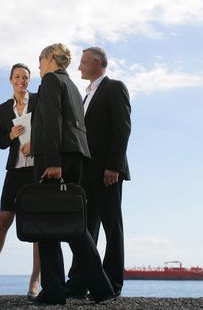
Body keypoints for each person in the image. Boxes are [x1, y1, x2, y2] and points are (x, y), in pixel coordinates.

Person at [28, 43, 116, 305]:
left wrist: (53, 161)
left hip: (56, 160)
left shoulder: (52, 81)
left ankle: (54, 291)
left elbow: (53, 121)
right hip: (76, 158)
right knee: (73, 225)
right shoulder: (74, 88)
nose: (39, 65)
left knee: (48, 224)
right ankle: (101, 287)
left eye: (40, 59)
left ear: (49, 59)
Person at [65, 47, 131, 297]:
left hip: (107, 172)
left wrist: (113, 166)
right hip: (86, 174)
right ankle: (80, 283)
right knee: (85, 228)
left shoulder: (115, 87)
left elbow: (122, 128)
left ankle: (112, 283)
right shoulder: (85, 96)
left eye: (82, 62)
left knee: (112, 228)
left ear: (96, 62)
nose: (79, 67)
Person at [0, 63, 40, 299]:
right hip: (15, 170)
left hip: (37, 170)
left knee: (36, 224)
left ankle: (35, 282)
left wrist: (36, 144)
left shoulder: (40, 100)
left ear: (29, 81)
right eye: (17, 77)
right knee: (4, 217)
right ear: (10, 80)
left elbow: (50, 129)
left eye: (25, 77)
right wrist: (10, 135)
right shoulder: (3, 108)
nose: (21, 80)